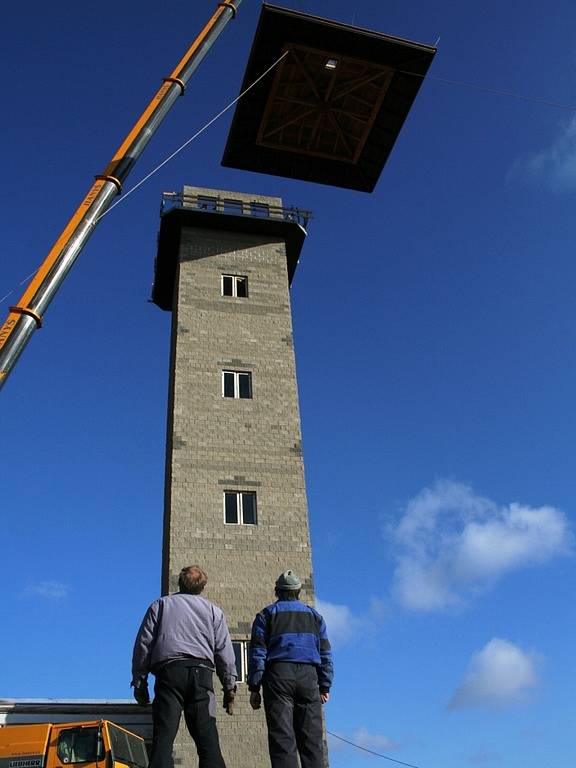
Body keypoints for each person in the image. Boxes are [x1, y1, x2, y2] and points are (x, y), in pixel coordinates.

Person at [131, 565, 237, 768]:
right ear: (202, 587)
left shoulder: (160, 606)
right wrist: (229, 686)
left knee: (163, 740)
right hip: (201, 675)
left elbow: (143, 645)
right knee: (208, 742)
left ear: (179, 583)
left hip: (169, 675)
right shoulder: (214, 611)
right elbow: (224, 650)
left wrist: (139, 681)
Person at [247, 570, 333, 768]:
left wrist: (254, 687)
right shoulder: (314, 616)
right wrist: (325, 685)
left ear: (277, 591)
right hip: (309, 677)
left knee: (282, 739)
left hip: (278, 676)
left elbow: (258, 652)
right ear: (298, 592)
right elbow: (325, 653)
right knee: (312, 741)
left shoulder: (266, 614)